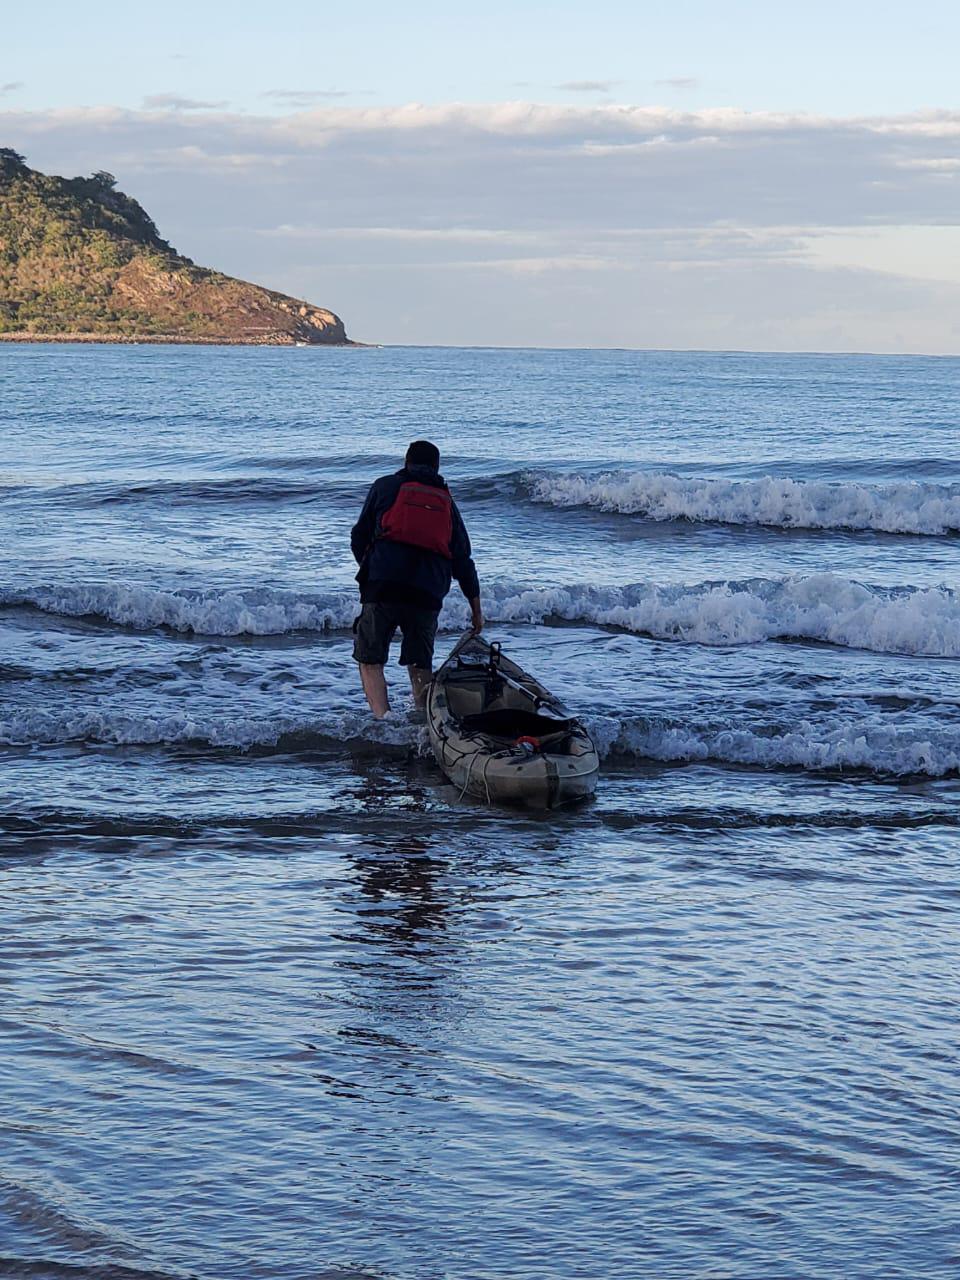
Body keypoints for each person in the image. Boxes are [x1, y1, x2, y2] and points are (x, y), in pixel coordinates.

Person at [351, 440, 483, 718]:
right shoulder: (446, 503)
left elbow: (358, 536)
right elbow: (463, 561)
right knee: (420, 665)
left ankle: (384, 721)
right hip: (427, 593)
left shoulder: (385, 486)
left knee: (370, 660)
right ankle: (425, 723)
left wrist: (370, 570)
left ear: (406, 462)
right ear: (437, 467)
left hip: (383, 586)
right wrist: (476, 611)